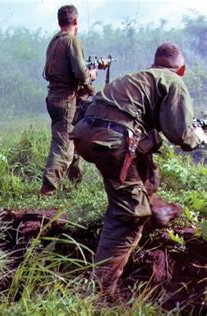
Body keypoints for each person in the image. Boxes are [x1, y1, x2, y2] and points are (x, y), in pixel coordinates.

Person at [70, 43, 207, 294]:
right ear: (182, 69)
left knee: (146, 175)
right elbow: (182, 137)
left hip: (85, 134)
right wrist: (200, 133)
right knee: (129, 214)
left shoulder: (139, 77)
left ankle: (157, 210)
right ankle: (100, 290)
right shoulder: (174, 81)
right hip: (111, 140)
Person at [40, 4, 97, 196]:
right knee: (63, 146)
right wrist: (91, 77)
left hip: (55, 97)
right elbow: (81, 73)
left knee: (73, 138)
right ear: (76, 21)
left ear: (59, 22)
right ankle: (47, 190)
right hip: (65, 100)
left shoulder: (54, 41)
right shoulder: (72, 41)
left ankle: (75, 183)